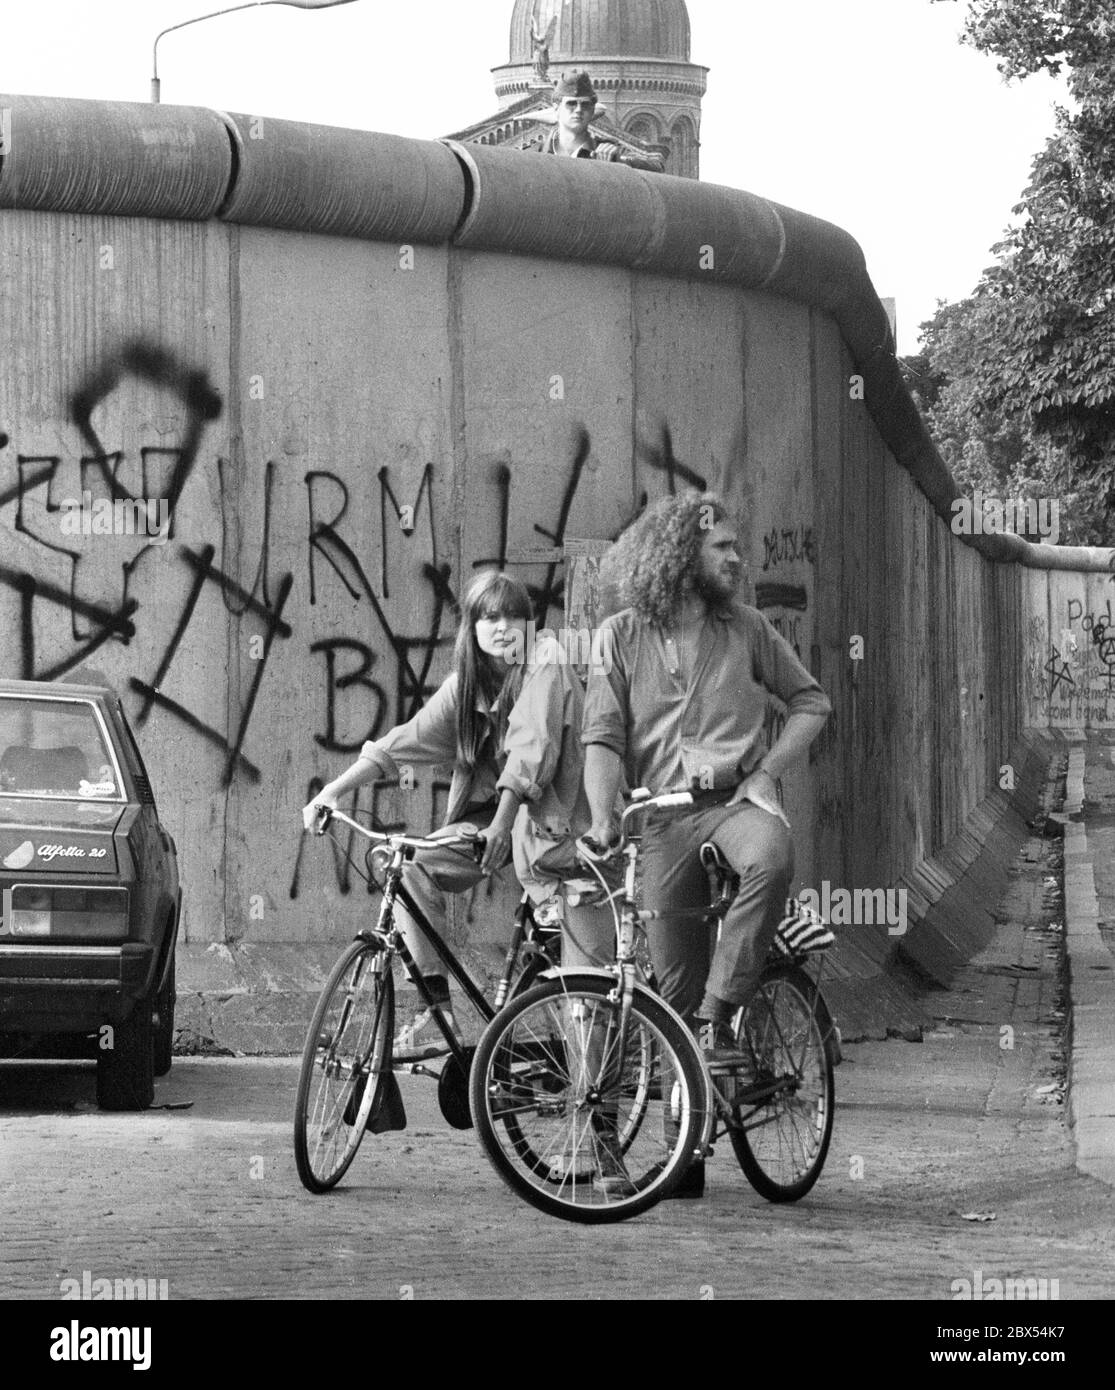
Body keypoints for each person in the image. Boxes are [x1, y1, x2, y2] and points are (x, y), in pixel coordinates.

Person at [581, 492, 832, 1195]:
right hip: (659, 821)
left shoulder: (748, 628)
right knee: (669, 991)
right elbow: (600, 738)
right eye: (722, 546)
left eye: (736, 546)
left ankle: (719, 1015)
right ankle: (682, 1152)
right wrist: (604, 818)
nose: (737, 558)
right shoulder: (619, 636)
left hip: (731, 806)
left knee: (771, 857)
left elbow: (811, 702)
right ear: (679, 554)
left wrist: (764, 772)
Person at [302, 570, 594, 1061]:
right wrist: (331, 791)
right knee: (408, 864)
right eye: (489, 616)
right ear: (472, 628)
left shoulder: (546, 663)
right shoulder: (468, 689)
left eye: (514, 616)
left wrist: (502, 823)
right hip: (499, 825)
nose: (502, 627)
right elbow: (404, 742)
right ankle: (436, 1013)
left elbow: (531, 752)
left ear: (531, 624)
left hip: (559, 824)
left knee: (578, 977)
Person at [538, 70, 666, 172]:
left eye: (585, 104)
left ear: (593, 110)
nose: (578, 110)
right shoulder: (533, 154)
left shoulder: (610, 151)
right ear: (556, 108)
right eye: (571, 104)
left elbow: (657, 166)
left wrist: (618, 165)